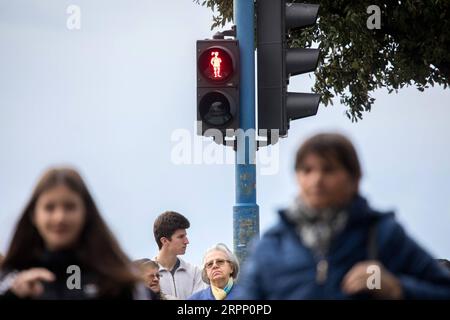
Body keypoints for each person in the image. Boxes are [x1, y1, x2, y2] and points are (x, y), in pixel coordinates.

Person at [238, 133, 450, 299]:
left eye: (328, 170)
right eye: (307, 170)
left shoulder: (383, 235)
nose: (316, 180)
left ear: (355, 178)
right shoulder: (272, 244)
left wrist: (396, 288)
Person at [0, 167, 153, 300]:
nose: (59, 217)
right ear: (34, 215)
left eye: (70, 207)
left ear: (86, 213)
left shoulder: (118, 283)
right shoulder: (11, 281)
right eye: (49, 207)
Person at [153, 211, 206, 299]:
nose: (187, 241)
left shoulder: (195, 272)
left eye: (185, 236)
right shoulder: (145, 275)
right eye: (181, 237)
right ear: (164, 241)